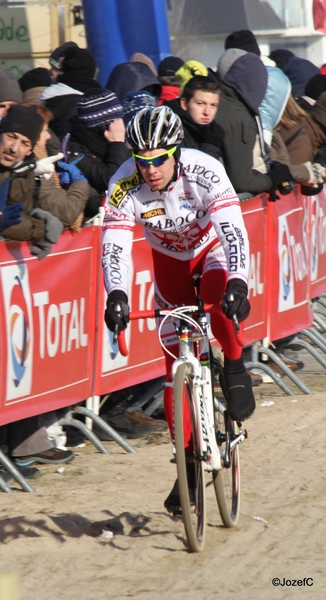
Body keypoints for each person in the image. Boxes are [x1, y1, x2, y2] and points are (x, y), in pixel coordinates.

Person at [102, 106, 255, 513]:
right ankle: (187, 464)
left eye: (157, 159)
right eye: (141, 159)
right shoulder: (124, 185)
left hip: (210, 251)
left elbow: (233, 230)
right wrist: (115, 293)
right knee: (173, 367)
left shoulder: (204, 171)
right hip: (168, 263)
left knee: (218, 299)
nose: (149, 169)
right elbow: (114, 245)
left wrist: (239, 281)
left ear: (175, 153)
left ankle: (236, 366)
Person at [163, 74, 224, 161]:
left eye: (213, 105)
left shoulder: (216, 133)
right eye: (200, 103)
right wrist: (211, 146)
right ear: (184, 103)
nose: (207, 112)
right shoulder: (169, 130)